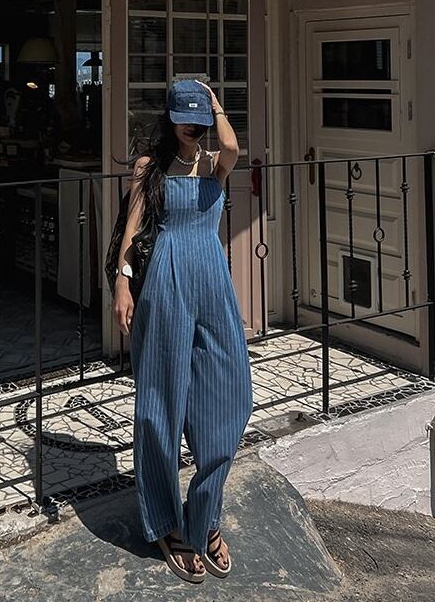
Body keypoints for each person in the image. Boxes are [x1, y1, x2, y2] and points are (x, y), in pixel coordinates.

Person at [113, 79, 253, 583]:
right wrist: (122, 283)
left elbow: (234, 147)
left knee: (232, 394)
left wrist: (216, 106)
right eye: (185, 119)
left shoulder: (215, 163)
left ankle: (205, 513)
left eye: (199, 120)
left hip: (212, 280)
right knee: (160, 401)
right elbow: (132, 228)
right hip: (165, 280)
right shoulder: (149, 167)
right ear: (170, 119)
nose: (193, 128)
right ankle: (167, 522)